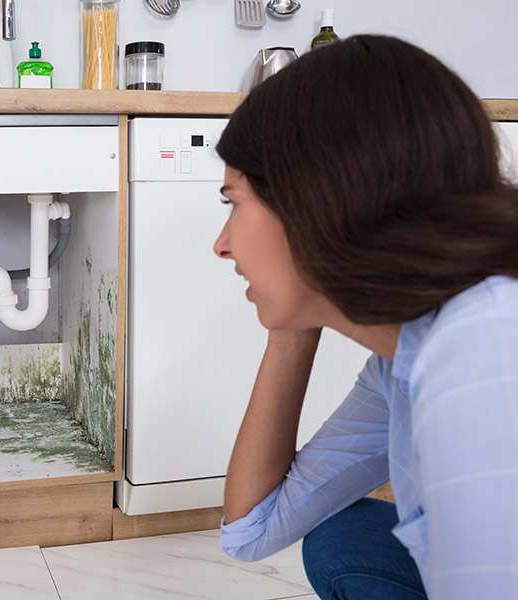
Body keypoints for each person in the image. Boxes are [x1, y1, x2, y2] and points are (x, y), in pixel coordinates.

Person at [212, 34, 518, 600]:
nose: (222, 244)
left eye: (233, 201)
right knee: (343, 537)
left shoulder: (485, 350)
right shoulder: (402, 358)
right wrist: (294, 319)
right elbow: (250, 532)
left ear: (315, 199)